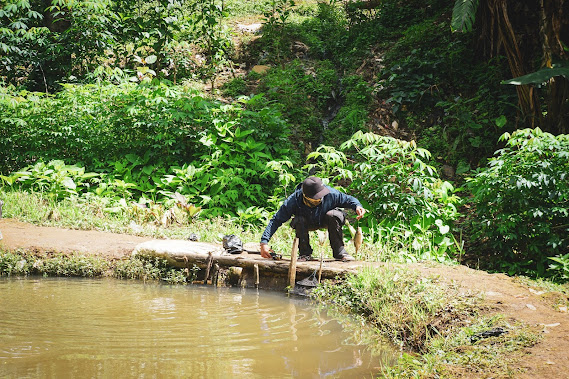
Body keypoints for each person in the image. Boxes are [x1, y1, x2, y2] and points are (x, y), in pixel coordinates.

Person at [260, 176, 366, 262]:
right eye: (316, 197)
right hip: (306, 222)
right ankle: (305, 254)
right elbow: (276, 220)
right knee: (298, 220)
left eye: (321, 196)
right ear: (305, 196)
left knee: (334, 215)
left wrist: (357, 206)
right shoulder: (294, 200)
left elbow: (349, 199)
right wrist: (264, 242)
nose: (320, 198)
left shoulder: (331, 194)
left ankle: (340, 252)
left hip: (326, 219)